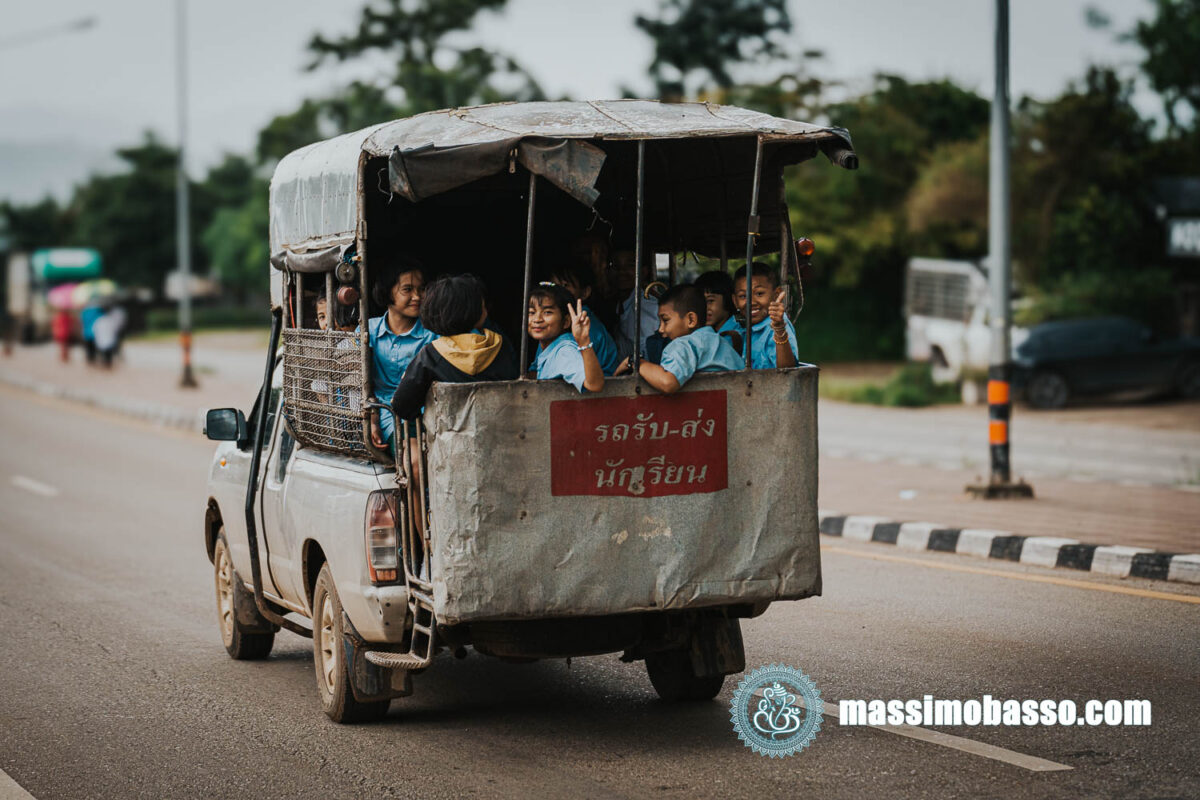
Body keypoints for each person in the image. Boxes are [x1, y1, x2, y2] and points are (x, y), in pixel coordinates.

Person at [391, 275, 519, 421]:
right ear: (475, 311)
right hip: (500, 434)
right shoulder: (500, 345)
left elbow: (402, 405)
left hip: (449, 440)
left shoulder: (431, 355)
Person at [614, 284, 741, 393]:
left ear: (691, 320)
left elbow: (668, 383)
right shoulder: (717, 340)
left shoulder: (685, 344)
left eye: (665, 320)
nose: (661, 329)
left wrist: (636, 362)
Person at [367, 258, 435, 451]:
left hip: (430, 415)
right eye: (407, 290)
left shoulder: (433, 332)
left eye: (421, 289)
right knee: (414, 461)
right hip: (387, 415)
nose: (417, 296)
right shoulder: (367, 331)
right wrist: (371, 419)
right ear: (387, 292)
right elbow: (355, 383)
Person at [527, 283, 604, 393]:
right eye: (531, 312)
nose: (537, 319)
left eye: (547, 312)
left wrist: (584, 341)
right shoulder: (549, 346)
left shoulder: (564, 351)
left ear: (566, 321)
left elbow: (595, 385)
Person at [548, 261, 620, 375]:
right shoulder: (551, 322)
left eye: (565, 286)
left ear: (585, 292)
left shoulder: (585, 325)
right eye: (552, 286)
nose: (556, 293)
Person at [732, 264, 798, 369]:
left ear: (776, 295)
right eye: (743, 296)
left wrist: (779, 329)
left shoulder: (777, 324)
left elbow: (787, 371)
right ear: (735, 301)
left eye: (759, 294)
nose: (751, 302)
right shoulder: (741, 328)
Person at [694, 270, 744, 354]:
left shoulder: (736, 334)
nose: (704, 307)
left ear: (728, 300)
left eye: (710, 301)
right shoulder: (704, 332)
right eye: (700, 302)